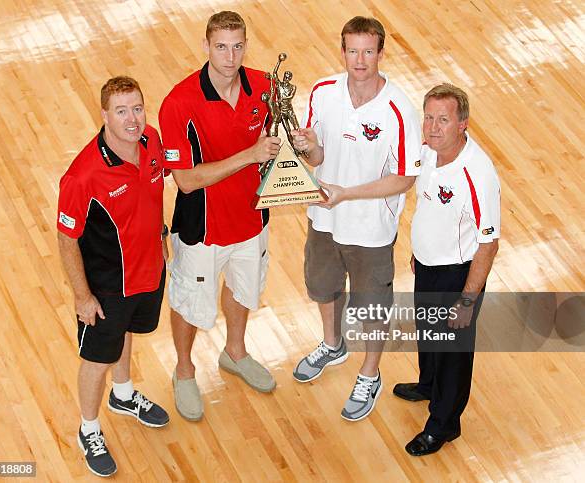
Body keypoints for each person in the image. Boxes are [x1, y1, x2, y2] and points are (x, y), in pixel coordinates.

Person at [291, 16, 422, 421]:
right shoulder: (323, 92)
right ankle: (333, 345)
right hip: (323, 218)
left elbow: (404, 178)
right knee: (323, 286)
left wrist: (347, 193)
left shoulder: (398, 109)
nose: (360, 59)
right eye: (353, 50)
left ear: (381, 53)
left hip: (370, 229)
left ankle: (370, 372)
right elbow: (318, 157)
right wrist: (309, 148)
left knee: (371, 308)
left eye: (368, 51)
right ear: (342, 51)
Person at [159, 11, 281, 422]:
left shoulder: (265, 87)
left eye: (238, 46)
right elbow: (187, 181)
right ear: (206, 46)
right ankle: (184, 369)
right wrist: (250, 155)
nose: (230, 57)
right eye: (221, 46)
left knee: (243, 291)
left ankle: (235, 353)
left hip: (252, 221)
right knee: (190, 303)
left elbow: (276, 145)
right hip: (202, 230)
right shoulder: (179, 103)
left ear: (246, 45)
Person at [57, 76, 169, 477]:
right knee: (95, 359)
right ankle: (88, 429)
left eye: (137, 108)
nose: (132, 119)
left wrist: (160, 236)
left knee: (126, 334)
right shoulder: (83, 175)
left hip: (150, 271)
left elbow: (153, 195)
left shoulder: (152, 141)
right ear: (103, 115)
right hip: (106, 287)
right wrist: (82, 296)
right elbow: (66, 238)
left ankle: (123, 395)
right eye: (121, 111)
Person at [394, 83, 500, 456]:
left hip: (459, 276)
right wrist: (419, 253)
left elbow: (488, 243)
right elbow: (427, 206)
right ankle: (428, 384)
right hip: (427, 265)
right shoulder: (428, 153)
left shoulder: (478, 174)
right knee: (428, 332)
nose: (433, 127)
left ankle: (443, 424)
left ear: (463, 125)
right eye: (429, 118)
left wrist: (468, 300)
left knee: (453, 351)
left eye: (443, 120)